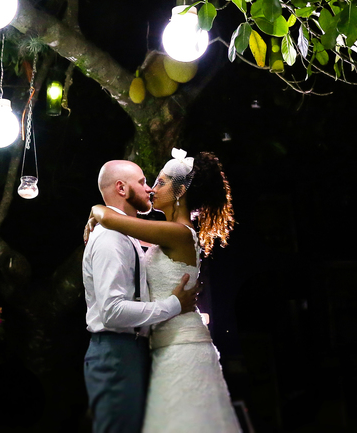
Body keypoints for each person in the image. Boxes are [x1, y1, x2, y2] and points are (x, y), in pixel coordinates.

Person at [85, 149, 241, 432]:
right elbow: (123, 231)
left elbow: (113, 220)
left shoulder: (178, 233)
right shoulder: (166, 234)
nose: (152, 189)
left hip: (180, 344)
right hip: (162, 346)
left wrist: (97, 210)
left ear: (180, 192)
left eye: (160, 182)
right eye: (150, 182)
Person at [83, 158, 199, 433]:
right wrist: (172, 305)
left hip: (133, 350)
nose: (149, 189)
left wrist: (98, 212)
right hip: (116, 352)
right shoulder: (111, 239)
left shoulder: (126, 234)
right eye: (143, 182)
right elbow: (112, 311)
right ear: (122, 189)